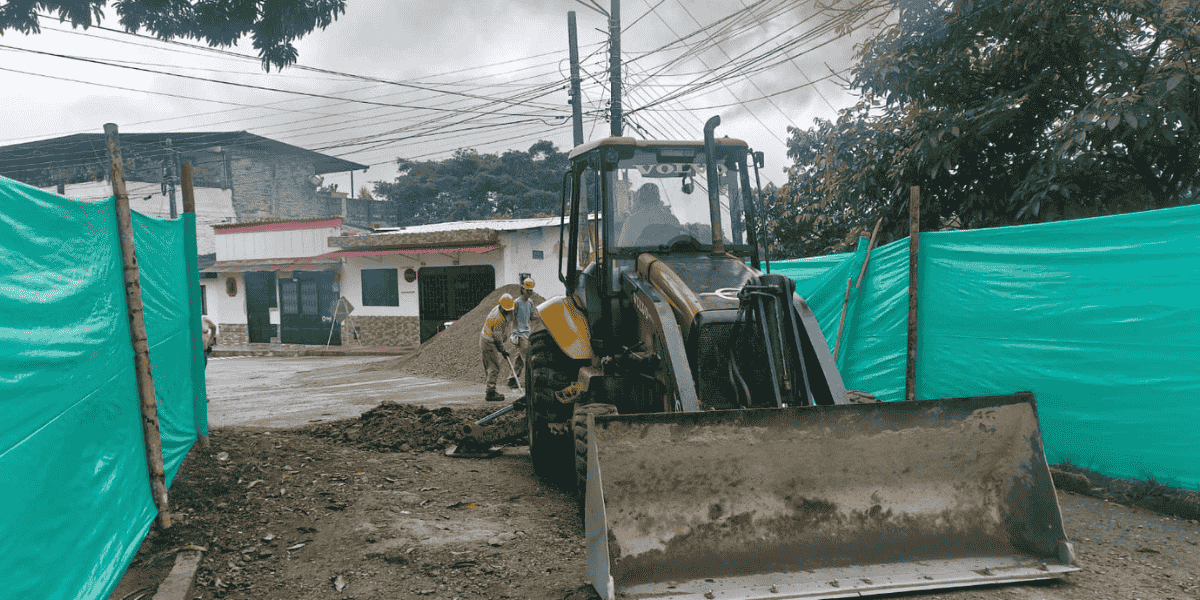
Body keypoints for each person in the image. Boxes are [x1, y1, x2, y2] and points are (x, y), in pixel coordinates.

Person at [616, 183, 682, 246]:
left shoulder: (631, 222)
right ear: (658, 199)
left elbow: (622, 248)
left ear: (639, 200)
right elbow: (680, 245)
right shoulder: (672, 219)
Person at [479, 293, 515, 402]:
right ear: (502, 307)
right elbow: (497, 339)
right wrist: (503, 351)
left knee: (491, 367)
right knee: (493, 367)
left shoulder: (499, 308)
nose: (508, 311)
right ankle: (490, 392)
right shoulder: (497, 318)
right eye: (507, 310)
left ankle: (490, 388)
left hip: (487, 339)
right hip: (489, 342)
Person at [508, 276, 542, 389]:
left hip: (527, 334)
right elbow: (510, 317)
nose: (530, 292)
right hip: (519, 334)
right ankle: (531, 382)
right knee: (528, 358)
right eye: (528, 290)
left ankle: (512, 379)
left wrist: (540, 317)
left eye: (531, 290)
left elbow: (531, 317)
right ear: (523, 289)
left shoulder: (530, 303)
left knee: (519, 359)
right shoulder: (516, 303)